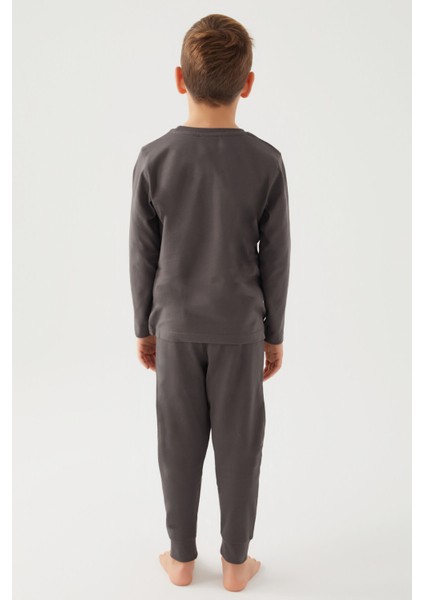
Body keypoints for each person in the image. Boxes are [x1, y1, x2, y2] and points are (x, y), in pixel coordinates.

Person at [129, 13, 291, 592]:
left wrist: (144, 327)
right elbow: (276, 258)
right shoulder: (266, 162)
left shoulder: (154, 158)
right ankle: (235, 564)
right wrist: (273, 334)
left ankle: (180, 559)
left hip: (173, 328)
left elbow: (142, 254)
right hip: (240, 330)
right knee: (239, 448)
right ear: (248, 84)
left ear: (179, 79)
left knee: (177, 445)